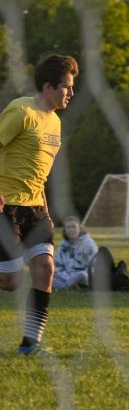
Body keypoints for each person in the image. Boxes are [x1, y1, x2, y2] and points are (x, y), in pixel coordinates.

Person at [0, 54, 77, 355]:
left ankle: (30, 343)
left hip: (35, 208)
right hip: (6, 207)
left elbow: (39, 169)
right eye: (66, 87)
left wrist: (44, 205)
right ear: (48, 87)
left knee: (45, 269)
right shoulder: (21, 111)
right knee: (11, 281)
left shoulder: (55, 123)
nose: (71, 93)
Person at [52, 215, 99, 290]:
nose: (71, 230)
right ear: (65, 230)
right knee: (48, 274)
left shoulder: (89, 243)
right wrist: (64, 275)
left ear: (79, 228)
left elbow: (94, 265)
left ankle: (66, 286)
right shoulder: (62, 245)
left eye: (74, 227)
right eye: (68, 227)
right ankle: (69, 286)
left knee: (81, 275)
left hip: (83, 274)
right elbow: (58, 265)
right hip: (66, 275)